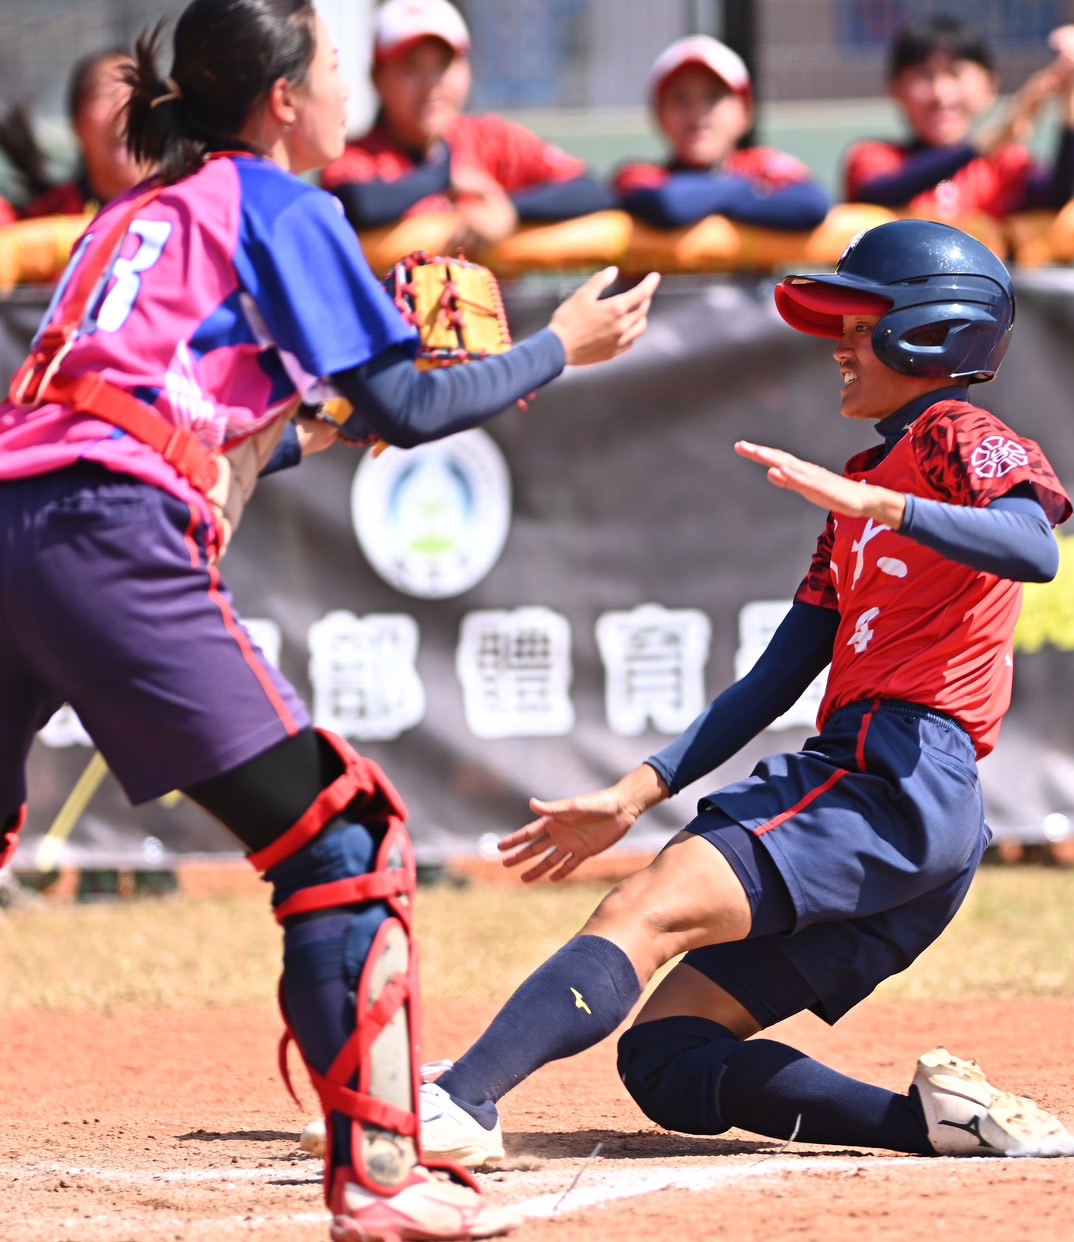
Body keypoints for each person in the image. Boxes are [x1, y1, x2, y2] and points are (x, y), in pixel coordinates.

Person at [0, 1, 657, 1239]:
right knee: (346, 841)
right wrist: (565, 344)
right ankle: (380, 1178)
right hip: (107, 542)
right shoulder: (279, 202)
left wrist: (326, 419)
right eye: (336, 61)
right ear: (285, 99)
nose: (348, 82)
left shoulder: (131, 215)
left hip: (13, 520)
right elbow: (407, 402)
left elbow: (184, 417)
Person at [399, 219, 1074, 1170]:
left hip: (897, 776)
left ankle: (461, 1101)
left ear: (931, 330)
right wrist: (635, 792)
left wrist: (886, 508)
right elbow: (775, 675)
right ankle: (930, 1126)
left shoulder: (959, 435)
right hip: (900, 803)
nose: (840, 343)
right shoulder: (861, 483)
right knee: (668, 1058)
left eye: (862, 320)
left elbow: (1034, 545)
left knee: (643, 907)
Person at [320, 0, 613, 248]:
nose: (431, 85)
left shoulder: (491, 138)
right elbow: (357, 203)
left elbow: (590, 190)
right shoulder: (356, 156)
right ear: (377, 77)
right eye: (411, 67)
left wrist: (509, 209)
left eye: (444, 65)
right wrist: (444, 180)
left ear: (467, 69)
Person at [843, 16, 1074, 222]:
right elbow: (880, 193)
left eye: (956, 75)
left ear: (990, 86)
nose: (941, 94)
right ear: (895, 89)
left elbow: (1055, 197)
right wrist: (990, 140)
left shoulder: (1004, 165)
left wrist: (1073, 102)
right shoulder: (874, 157)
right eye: (924, 76)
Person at [613, 34, 831, 231]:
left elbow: (812, 204)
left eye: (713, 97)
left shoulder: (762, 164)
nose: (697, 115)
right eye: (681, 99)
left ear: (745, 112)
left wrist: (706, 201)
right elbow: (667, 204)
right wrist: (747, 189)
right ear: (659, 115)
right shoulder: (641, 174)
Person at [11, 49, 156, 217]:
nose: (123, 109)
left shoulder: (186, 206)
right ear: (76, 125)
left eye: (136, 95)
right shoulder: (45, 220)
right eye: (107, 95)